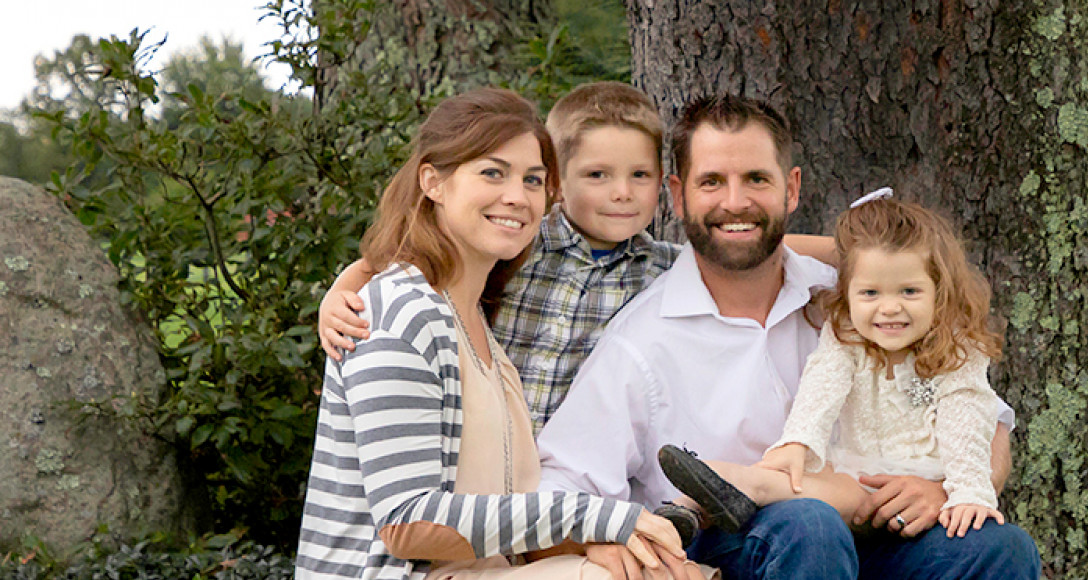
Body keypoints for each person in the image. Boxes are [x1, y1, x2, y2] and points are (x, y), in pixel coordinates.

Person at [535, 95, 1042, 579]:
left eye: (756, 179)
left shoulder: (856, 301)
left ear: (791, 188)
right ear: (677, 196)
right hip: (733, 551)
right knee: (808, 526)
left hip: (876, 538)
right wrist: (599, 543)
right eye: (712, 182)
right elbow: (561, 488)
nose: (735, 202)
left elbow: (987, 417)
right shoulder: (642, 342)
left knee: (1001, 547)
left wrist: (946, 489)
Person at [295, 88, 686, 580]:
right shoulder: (399, 313)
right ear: (433, 182)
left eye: (532, 180)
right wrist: (599, 518)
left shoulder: (478, 318)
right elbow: (406, 521)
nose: (516, 196)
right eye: (492, 173)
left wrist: (598, 541)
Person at [318, 82, 834, 433]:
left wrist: (850, 249)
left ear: (662, 185)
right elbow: (406, 260)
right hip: (487, 453)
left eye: (639, 176)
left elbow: (753, 243)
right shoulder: (519, 241)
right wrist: (341, 292)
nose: (621, 193)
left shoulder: (661, 266)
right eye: (597, 175)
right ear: (558, 182)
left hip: (572, 470)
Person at [656, 193, 1006, 544]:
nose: (889, 308)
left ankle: (743, 485)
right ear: (847, 295)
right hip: (856, 471)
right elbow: (821, 388)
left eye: (909, 291)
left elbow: (966, 422)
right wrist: (797, 442)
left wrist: (968, 491)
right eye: (870, 293)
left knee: (840, 494)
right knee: (807, 476)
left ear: (940, 294)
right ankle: (689, 508)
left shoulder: (958, 352)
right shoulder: (848, 337)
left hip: (919, 483)